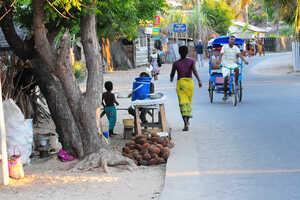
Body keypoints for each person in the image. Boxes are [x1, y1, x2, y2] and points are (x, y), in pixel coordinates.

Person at [170, 46, 202, 131]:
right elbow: (194, 71)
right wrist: (199, 81)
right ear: (187, 52)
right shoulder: (192, 61)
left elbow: (172, 73)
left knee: (182, 104)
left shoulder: (176, 63)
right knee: (188, 103)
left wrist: (171, 78)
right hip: (189, 84)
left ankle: (185, 123)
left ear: (179, 53)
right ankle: (187, 121)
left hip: (181, 84)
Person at [217, 36, 249, 101]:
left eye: (233, 40)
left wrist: (245, 61)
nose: (232, 41)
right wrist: (219, 60)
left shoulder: (236, 48)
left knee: (237, 69)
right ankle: (225, 94)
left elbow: (240, 55)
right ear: (229, 40)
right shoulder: (224, 47)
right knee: (226, 78)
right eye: (231, 40)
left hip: (233, 64)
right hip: (225, 64)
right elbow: (221, 54)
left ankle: (236, 83)